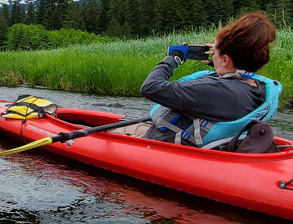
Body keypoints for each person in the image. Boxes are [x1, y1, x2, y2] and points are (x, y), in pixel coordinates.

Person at [116, 11, 280, 147]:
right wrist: (220, 66)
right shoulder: (257, 89)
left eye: (215, 51)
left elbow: (151, 87)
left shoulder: (215, 90)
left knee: (110, 132)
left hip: (163, 145)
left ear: (226, 59)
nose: (212, 53)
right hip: (202, 142)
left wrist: (174, 58)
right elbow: (233, 82)